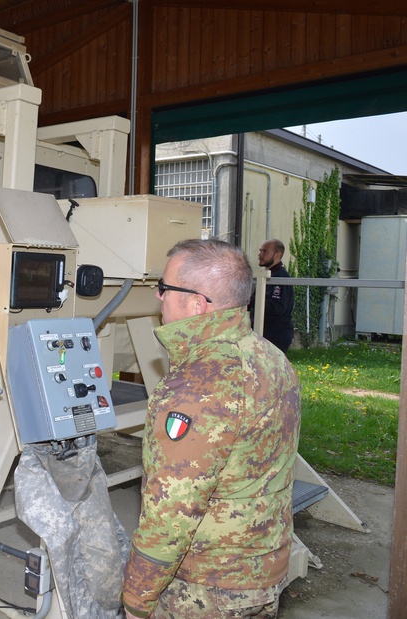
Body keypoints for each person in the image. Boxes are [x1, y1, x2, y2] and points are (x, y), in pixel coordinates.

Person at [122, 239, 301, 619]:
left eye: (165, 288)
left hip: (208, 589)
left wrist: (137, 599)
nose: (159, 297)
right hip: (261, 571)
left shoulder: (199, 387)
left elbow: (172, 511)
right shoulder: (271, 358)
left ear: (196, 303)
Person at [252, 238, 295, 353]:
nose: (260, 254)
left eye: (265, 251)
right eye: (260, 251)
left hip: (275, 335)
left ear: (277, 255)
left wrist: (252, 301)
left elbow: (277, 307)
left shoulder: (280, 277)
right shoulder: (267, 276)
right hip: (264, 333)